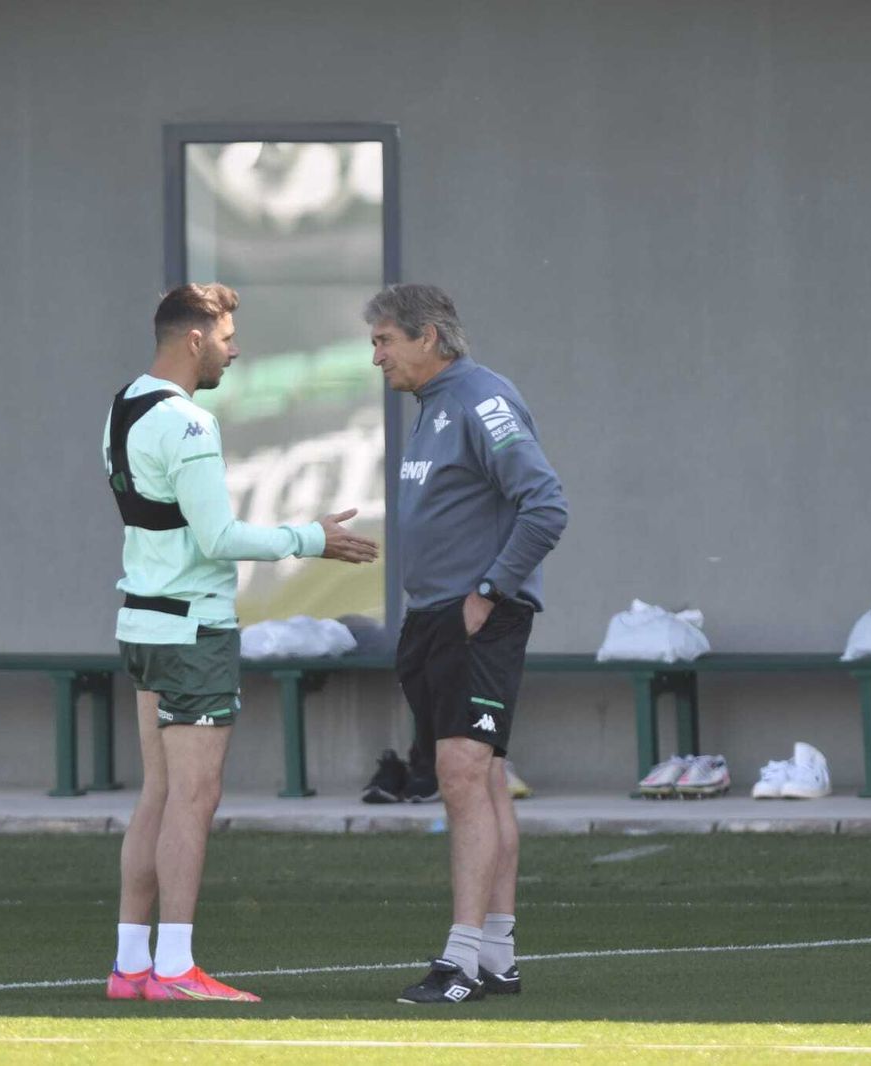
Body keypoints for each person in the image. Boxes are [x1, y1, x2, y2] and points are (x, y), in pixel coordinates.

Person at [104, 283, 379, 1002]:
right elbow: (218, 537)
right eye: (227, 339)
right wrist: (311, 538)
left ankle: (131, 966)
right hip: (192, 631)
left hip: (142, 623)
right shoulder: (189, 422)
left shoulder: (123, 405)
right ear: (194, 339)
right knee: (193, 799)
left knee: (158, 794)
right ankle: (173, 970)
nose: (235, 351)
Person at [365, 284, 568, 1004]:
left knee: (461, 776)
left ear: (428, 337)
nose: (377, 357)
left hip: (476, 618)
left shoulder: (483, 399)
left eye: (385, 341)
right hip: (434, 619)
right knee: (479, 781)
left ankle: (461, 962)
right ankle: (498, 957)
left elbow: (546, 505)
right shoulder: (432, 407)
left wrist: (489, 590)